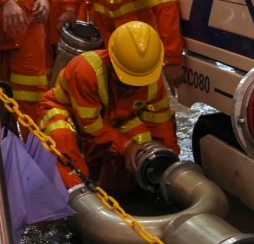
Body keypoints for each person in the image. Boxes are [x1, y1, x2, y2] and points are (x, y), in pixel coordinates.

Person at [37, 21, 178, 190]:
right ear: (112, 62)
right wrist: (126, 146)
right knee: (60, 136)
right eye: (126, 83)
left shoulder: (150, 79)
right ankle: (76, 194)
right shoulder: (85, 71)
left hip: (109, 119)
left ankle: (114, 190)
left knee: (142, 138)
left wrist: (171, 159)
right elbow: (89, 127)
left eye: (137, 85)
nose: (131, 89)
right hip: (69, 114)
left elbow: (161, 124)